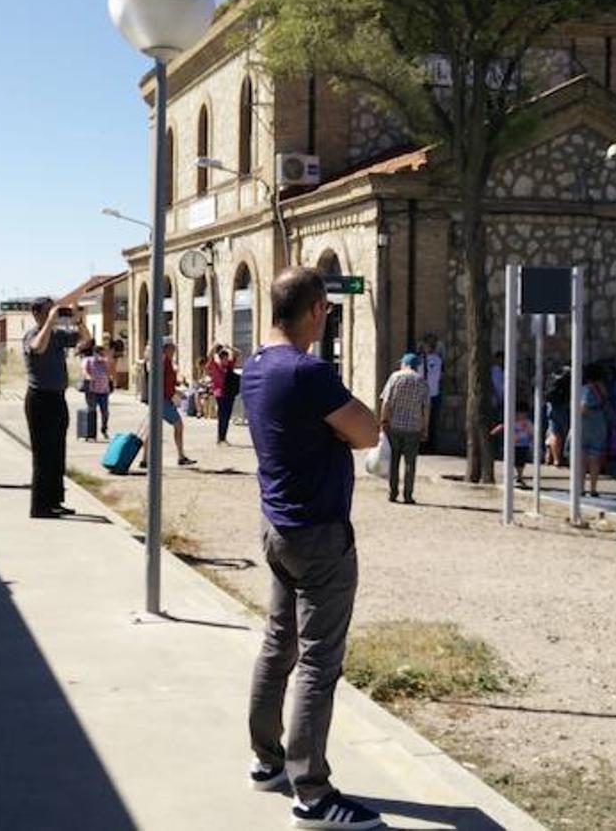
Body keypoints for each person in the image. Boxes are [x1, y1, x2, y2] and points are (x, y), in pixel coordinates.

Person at [241, 266, 383, 830]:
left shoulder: (255, 366)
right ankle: (314, 794)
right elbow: (369, 430)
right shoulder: (308, 371)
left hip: (276, 526)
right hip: (320, 534)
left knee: (279, 646)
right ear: (319, 309)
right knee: (318, 662)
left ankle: (265, 759)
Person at [23, 297, 87, 518]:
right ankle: (40, 506)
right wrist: (50, 322)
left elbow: (86, 342)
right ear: (37, 313)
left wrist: (79, 320)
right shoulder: (33, 335)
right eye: (48, 310)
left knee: (58, 453)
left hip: (58, 398)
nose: (54, 314)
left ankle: (54, 501)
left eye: (54, 310)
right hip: (39, 400)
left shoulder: (59, 336)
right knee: (43, 454)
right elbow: (37, 348)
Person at [377, 353, 429, 504]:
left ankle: (393, 493)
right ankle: (408, 495)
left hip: (394, 426)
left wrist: (383, 420)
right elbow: (426, 408)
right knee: (410, 463)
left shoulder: (395, 377)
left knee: (394, 461)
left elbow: (386, 402)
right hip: (413, 428)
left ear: (405, 364)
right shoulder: (422, 382)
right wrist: (424, 427)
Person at [143, 341, 195, 468]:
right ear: (167, 350)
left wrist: (176, 391)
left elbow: (165, 382)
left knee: (152, 429)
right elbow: (158, 379)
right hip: (162, 400)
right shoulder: (163, 361)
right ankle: (180, 456)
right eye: (173, 349)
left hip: (162, 398)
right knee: (178, 425)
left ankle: (145, 458)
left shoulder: (166, 362)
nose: (174, 352)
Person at [578, 364, 613, 497]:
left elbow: (583, 408)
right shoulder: (602, 389)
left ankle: (581, 488)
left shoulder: (585, 389)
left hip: (585, 426)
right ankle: (593, 488)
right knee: (595, 459)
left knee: (582, 459)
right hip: (599, 426)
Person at [206, 345, 239, 445]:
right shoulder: (215, 366)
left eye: (226, 358)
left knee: (227, 415)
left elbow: (237, 353)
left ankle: (223, 437)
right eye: (223, 358)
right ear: (220, 358)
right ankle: (220, 438)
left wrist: (229, 347)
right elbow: (209, 356)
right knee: (222, 416)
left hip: (230, 392)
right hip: (220, 393)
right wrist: (214, 347)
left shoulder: (229, 365)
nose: (225, 360)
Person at [81, 339, 115, 439]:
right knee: (91, 411)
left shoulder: (105, 362)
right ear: (95, 353)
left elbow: (110, 372)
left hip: (104, 391)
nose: (102, 355)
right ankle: (90, 432)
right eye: (100, 353)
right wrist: (88, 377)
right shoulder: (88, 360)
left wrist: (107, 363)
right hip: (92, 390)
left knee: (105, 412)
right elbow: (84, 370)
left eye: (103, 353)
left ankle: (104, 429)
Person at [418, 335, 443, 452]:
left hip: (424, 394)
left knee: (423, 420)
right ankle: (430, 445)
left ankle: (424, 446)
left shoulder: (421, 360)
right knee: (431, 421)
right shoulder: (438, 360)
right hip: (434, 393)